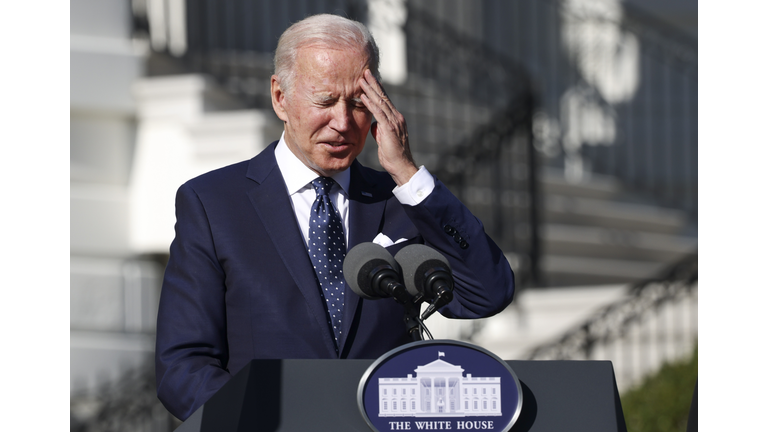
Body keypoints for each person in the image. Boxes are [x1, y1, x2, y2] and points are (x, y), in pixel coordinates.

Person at [155, 13, 515, 421]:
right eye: (325, 101)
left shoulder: (404, 202)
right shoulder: (212, 204)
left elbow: (488, 292)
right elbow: (182, 366)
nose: (343, 123)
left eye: (359, 104)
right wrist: (269, 421)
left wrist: (408, 174)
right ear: (280, 98)